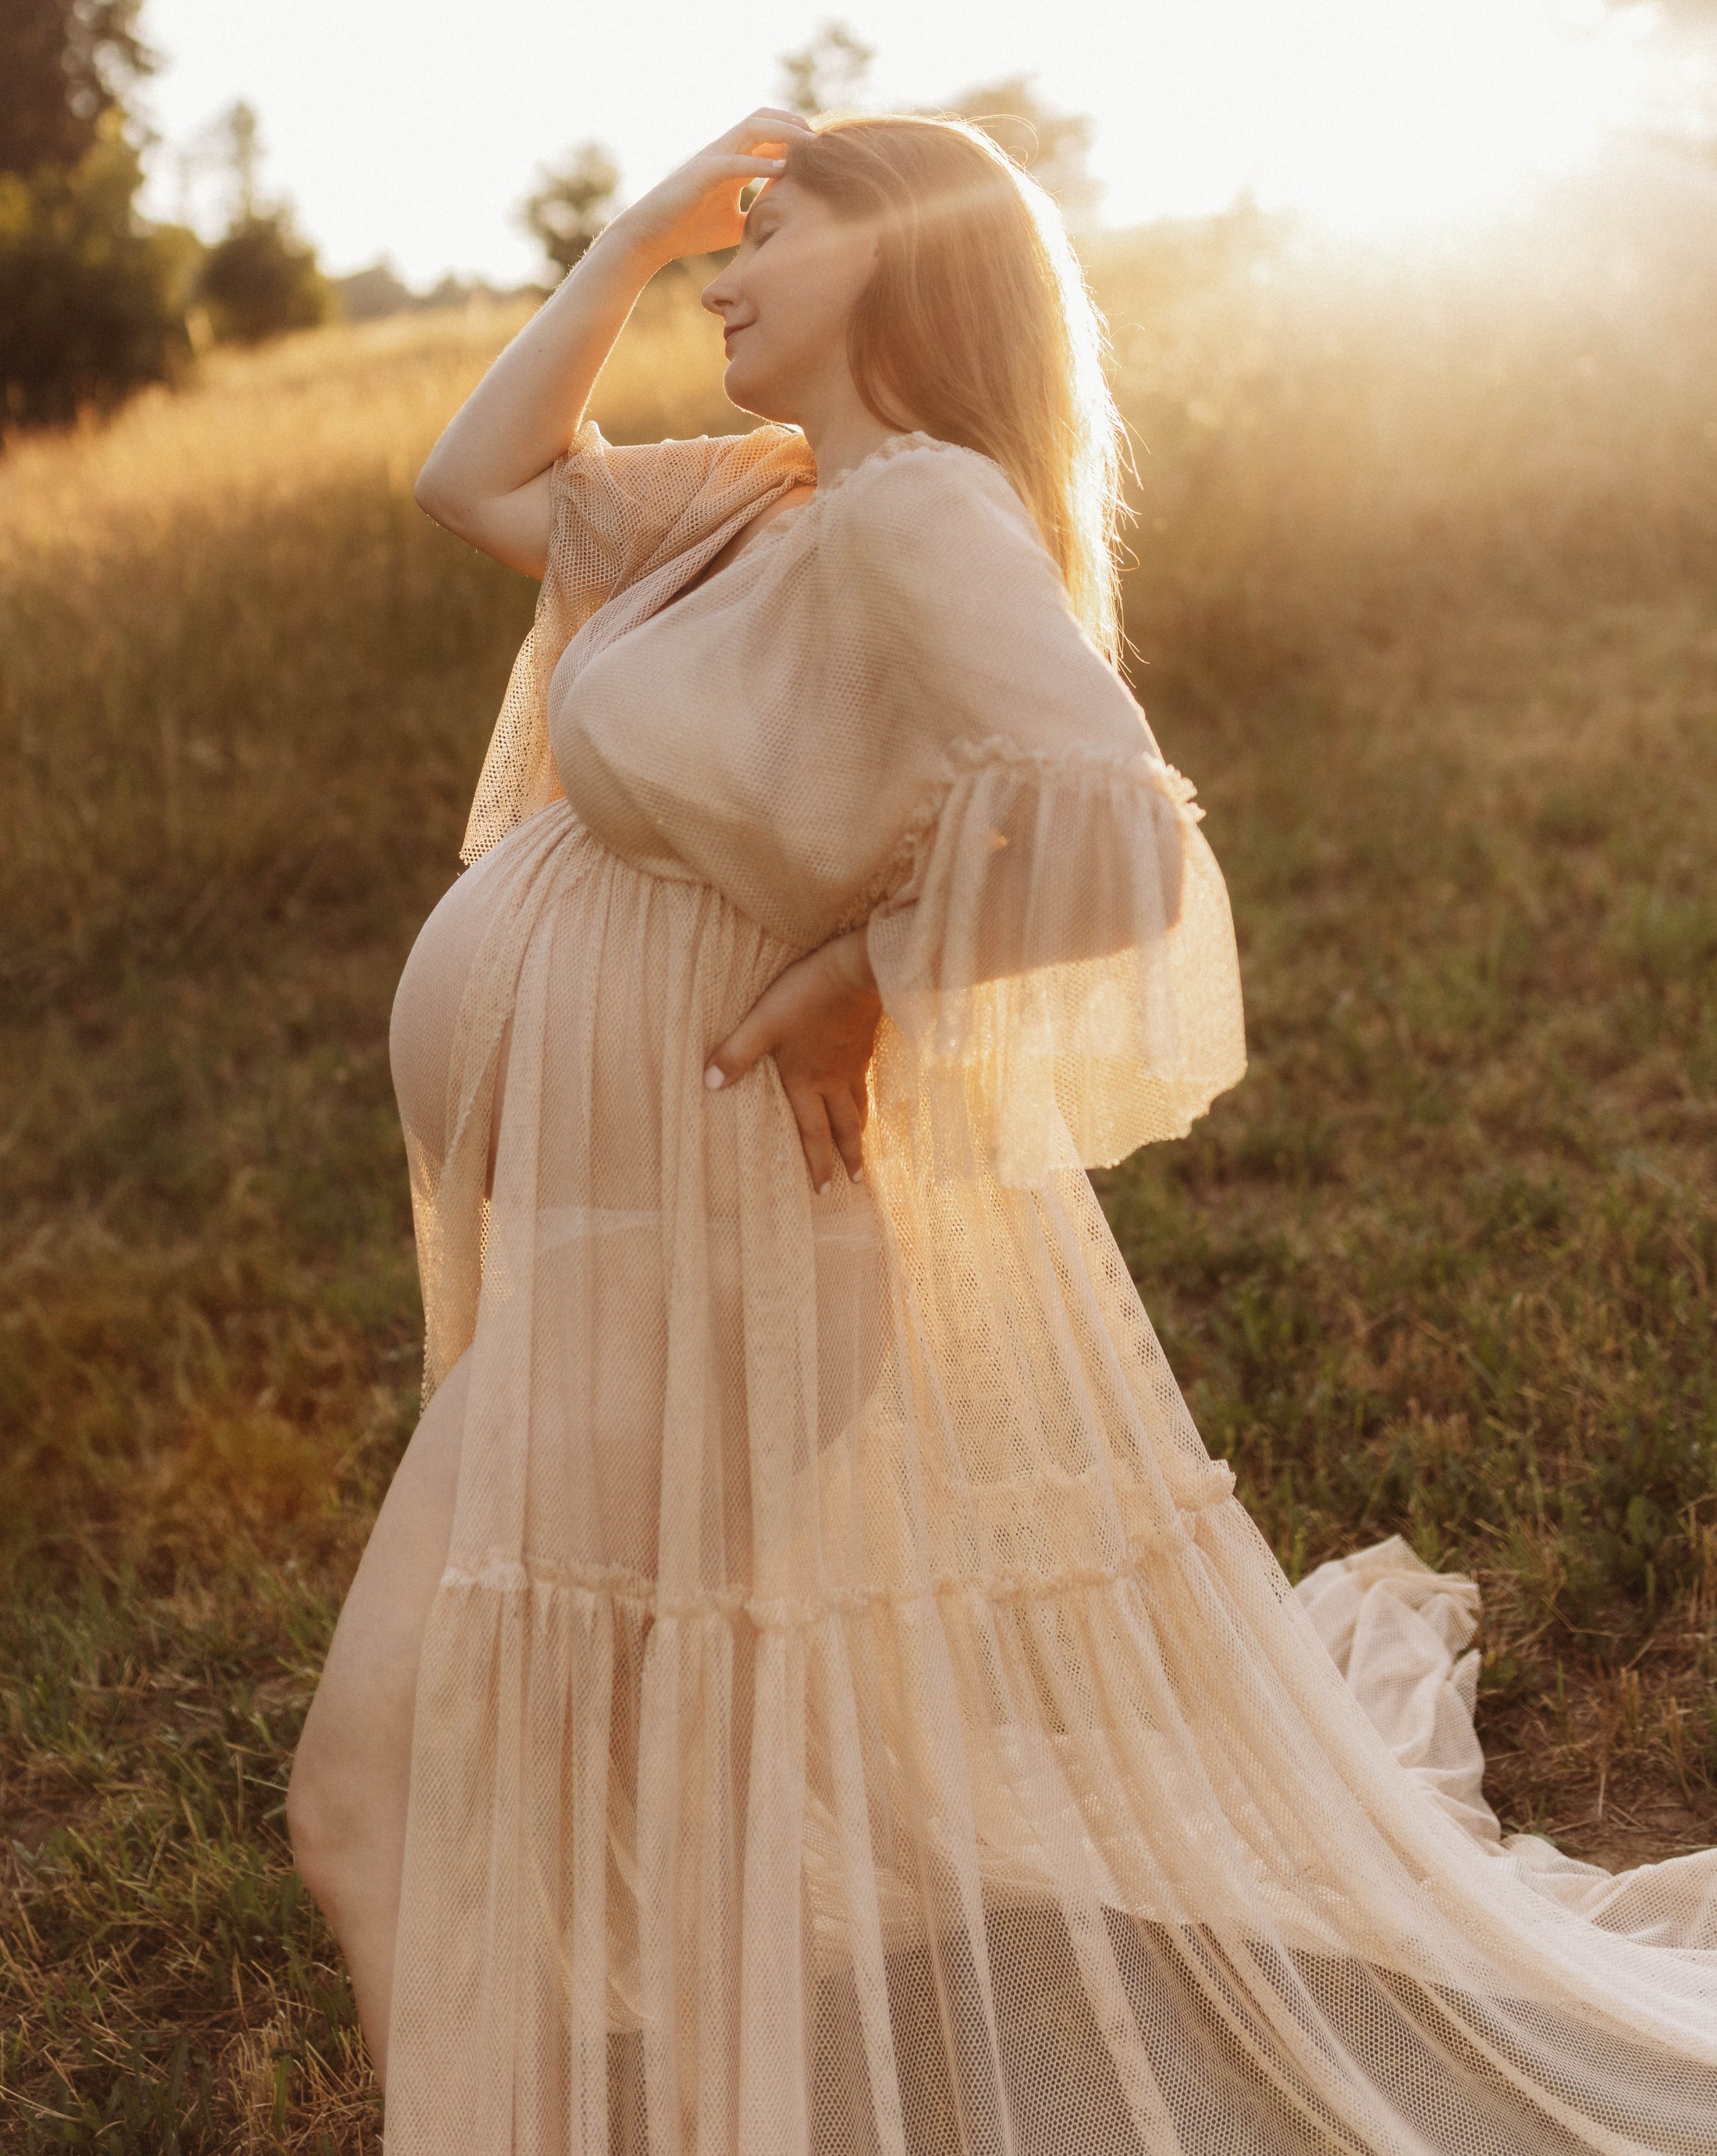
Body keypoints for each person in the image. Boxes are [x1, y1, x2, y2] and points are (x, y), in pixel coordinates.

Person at [288, 111, 1717, 2153]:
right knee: (603, 1804)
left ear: (910, 254)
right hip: (637, 1243)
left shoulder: (914, 515)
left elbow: (1123, 838)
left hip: (713, 1248)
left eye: (767, 237)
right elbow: (476, 480)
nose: (724, 275)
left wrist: (874, 973)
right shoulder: (763, 504)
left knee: (394, 1797)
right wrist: (625, 235)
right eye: (723, 245)